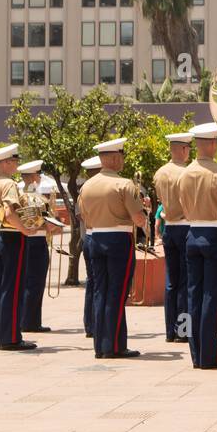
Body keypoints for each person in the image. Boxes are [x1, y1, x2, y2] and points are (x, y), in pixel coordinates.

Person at [80, 138, 149, 359]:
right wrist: (145, 214)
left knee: (101, 291)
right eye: (120, 156)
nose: (122, 160)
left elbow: (82, 216)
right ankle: (113, 346)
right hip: (118, 239)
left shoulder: (87, 185)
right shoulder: (124, 184)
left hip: (95, 238)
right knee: (117, 294)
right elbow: (138, 219)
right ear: (113, 158)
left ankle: (102, 345)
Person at [178, 123, 217, 370]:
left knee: (194, 295)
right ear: (212, 144)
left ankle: (196, 353)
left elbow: (183, 206)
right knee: (214, 296)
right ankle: (210, 354)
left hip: (193, 232)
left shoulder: (184, 174)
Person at [0, 143, 32, 351]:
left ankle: (2, 336)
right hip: (12, 237)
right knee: (13, 288)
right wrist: (25, 230)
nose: (16, 165)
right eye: (13, 161)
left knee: (2, 288)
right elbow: (10, 213)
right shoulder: (9, 184)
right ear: (5, 163)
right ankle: (11, 337)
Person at [153, 132, 192, 345]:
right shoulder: (187, 173)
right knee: (186, 283)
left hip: (169, 229)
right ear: (184, 149)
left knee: (171, 283)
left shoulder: (160, 173)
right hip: (186, 227)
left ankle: (170, 330)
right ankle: (183, 330)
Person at [17, 160, 57, 334]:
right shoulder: (38, 199)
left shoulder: (17, 193)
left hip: (20, 240)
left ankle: (23, 319)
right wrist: (56, 225)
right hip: (37, 240)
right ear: (34, 177)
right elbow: (48, 225)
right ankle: (31, 322)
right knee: (35, 282)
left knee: (24, 281)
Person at [78, 155, 102, 337]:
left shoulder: (84, 191)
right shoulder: (90, 191)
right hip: (93, 237)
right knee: (96, 283)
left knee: (92, 282)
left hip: (88, 238)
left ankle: (91, 324)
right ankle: (94, 323)